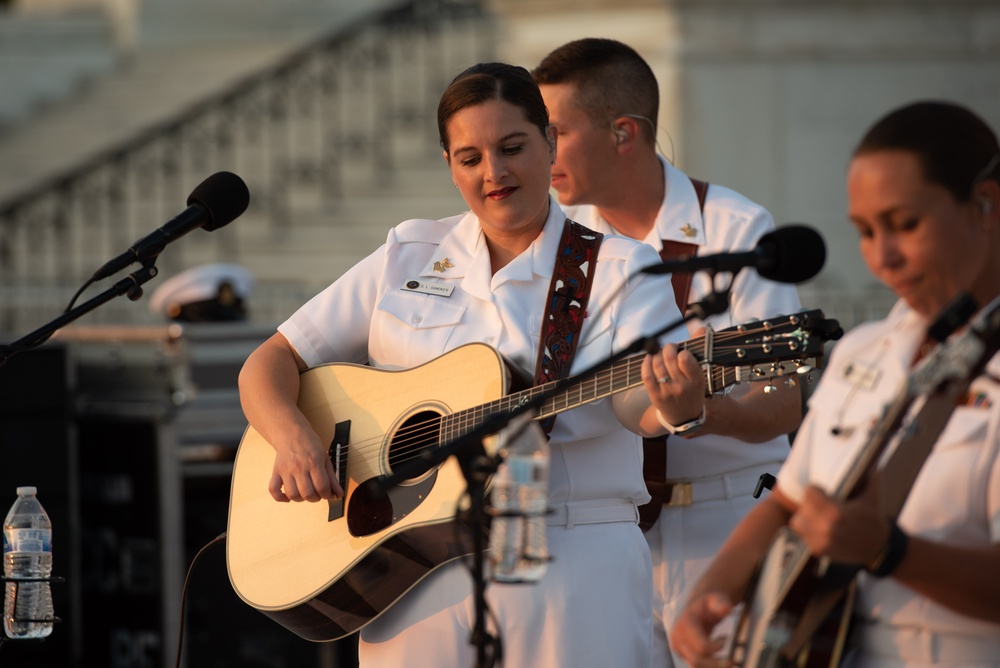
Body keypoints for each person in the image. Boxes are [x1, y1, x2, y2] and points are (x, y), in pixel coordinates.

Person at [238, 62, 707, 668]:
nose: (494, 173)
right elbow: (271, 360)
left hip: (571, 561)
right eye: (470, 158)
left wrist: (678, 407)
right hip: (410, 573)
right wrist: (293, 437)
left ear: (550, 142)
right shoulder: (408, 253)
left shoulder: (621, 268)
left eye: (512, 147)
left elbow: (634, 404)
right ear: (449, 165)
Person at [671, 100, 1000, 667]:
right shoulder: (863, 350)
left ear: (986, 205)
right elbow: (787, 504)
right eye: (866, 232)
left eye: (905, 225)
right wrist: (712, 592)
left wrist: (890, 552)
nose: (883, 258)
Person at [532, 38, 804, 666]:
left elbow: (784, 398)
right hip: (607, 535)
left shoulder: (737, 229)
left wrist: (703, 412)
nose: (542, 153)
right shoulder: (564, 244)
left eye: (556, 132)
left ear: (624, 133)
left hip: (727, 522)